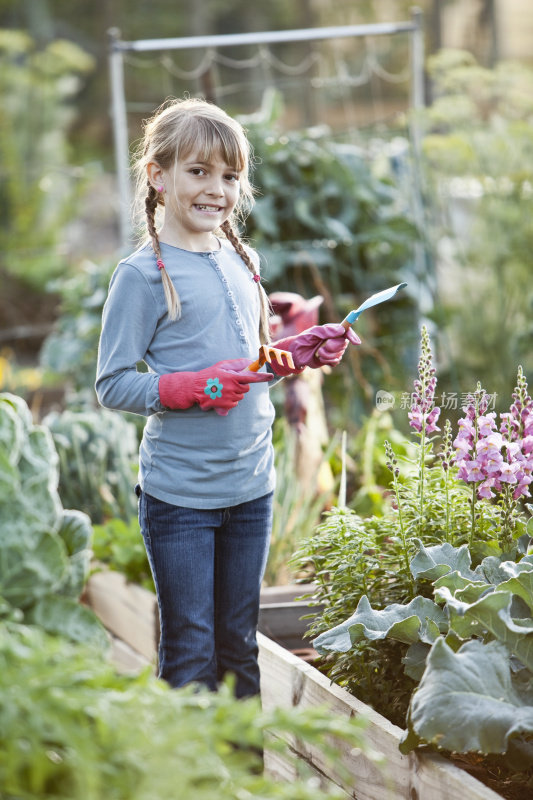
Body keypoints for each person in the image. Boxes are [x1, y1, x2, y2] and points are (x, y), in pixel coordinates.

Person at [95, 97, 360, 698]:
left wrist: (301, 351)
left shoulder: (243, 259)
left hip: (251, 489)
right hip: (181, 497)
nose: (217, 189)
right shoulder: (142, 276)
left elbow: (251, 366)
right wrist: (188, 388)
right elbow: (112, 383)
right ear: (158, 177)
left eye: (230, 176)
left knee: (240, 645)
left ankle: (246, 784)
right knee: (190, 651)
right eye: (199, 171)